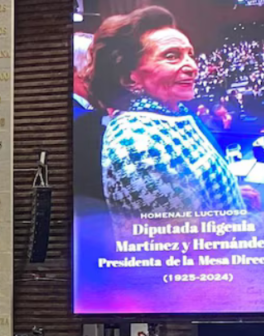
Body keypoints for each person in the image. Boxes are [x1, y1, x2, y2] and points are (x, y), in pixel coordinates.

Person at [88, 6, 252, 232]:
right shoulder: (136, 142)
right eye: (172, 56)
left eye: (190, 55)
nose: (192, 67)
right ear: (129, 78)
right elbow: (187, 240)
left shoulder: (173, 113)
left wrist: (230, 194)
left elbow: (194, 192)